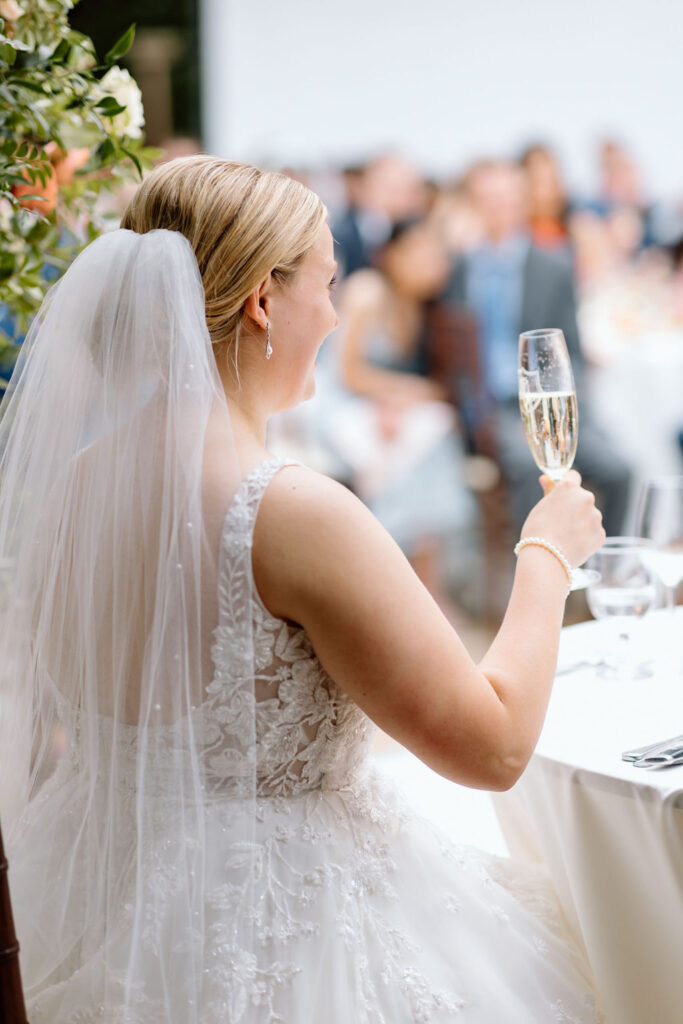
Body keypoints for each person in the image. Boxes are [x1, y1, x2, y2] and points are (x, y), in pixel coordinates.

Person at [0, 156, 605, 1023]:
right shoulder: (291, 512)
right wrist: (545, 555)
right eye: (325, 279)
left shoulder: (69, 490)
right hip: (292, 930)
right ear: (260, 302)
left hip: (100, 901)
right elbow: (494, 748)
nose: (333, 308)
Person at [441, 159, 632, 535]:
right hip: (494, 411)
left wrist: (575, 420)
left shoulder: (553, 266)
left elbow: (572, 351)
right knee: (531, 468)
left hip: (552, 408)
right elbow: (450, 352)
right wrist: (470, 414)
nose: (497, 208)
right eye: (487, 199)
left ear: (523, 202)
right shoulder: (459, 269)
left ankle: (604, 568)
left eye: (506, 198)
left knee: (620, 470)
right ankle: (533, 579)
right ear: (474, 205)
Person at [325, 218, 474, 614]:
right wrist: (402, 395)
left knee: (432, 434)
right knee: (420, 439)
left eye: (437, 256)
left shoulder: (425, 309)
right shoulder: (368, 291)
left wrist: (401, 400)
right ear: (393, 254)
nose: (432, 264)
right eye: (420, 253)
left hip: (387, 408)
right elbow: (348, 372)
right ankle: (404, 587)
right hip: (336, 405)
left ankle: (422, 580)